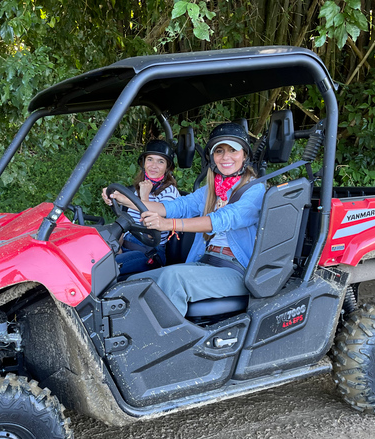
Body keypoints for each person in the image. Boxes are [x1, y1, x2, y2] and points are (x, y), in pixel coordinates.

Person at [108, 122, 266, 317]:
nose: (226, 157)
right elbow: (174, 207)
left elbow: (220, 219)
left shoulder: (254, 190)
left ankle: (166, 345)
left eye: (232, 150)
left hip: (237, 270)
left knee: (173, 278)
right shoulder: (211, 190)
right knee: (134, 283)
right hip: (205, 263)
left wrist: (169, 224)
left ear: (244, 155)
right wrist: (123, 199)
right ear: (212, 157)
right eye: (219, 151)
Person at [101, 139, 180, 274]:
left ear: (167, 167)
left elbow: (150, 234)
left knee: (104, 271)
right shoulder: (135, 189)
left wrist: (144, 197)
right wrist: (116, 245)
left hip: (149, 251)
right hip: (125, 244)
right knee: (90, 259)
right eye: (150, 159)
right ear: (143, 163)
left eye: (160, 161)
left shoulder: (170, 192)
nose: (154, 165)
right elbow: (125, 220)